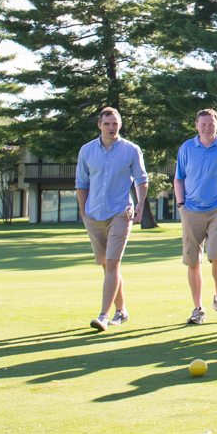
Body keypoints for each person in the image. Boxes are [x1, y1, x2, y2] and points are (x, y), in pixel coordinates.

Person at [75, 107, 149, 332]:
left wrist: (140, 205)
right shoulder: (87, 151)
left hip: (120, 212)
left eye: (115, 123)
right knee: (107, 266)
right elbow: (81, 183)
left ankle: (104, 315)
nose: (111, 127)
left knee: (113, 262)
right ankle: (121, 310)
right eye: (107, 123)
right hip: (94, 214)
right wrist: (83, 213)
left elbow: (141, 179)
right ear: (99, 125)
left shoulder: (131, 150)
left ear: (120, 124)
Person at [173, 108, 217, 324]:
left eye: (211, 124)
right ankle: (198, 309)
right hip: (191, 210)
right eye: (203, 124)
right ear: (196, 125)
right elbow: (179, 178)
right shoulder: (186, 148)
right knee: (193, 260)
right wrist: (181, 204)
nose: (207, 127)